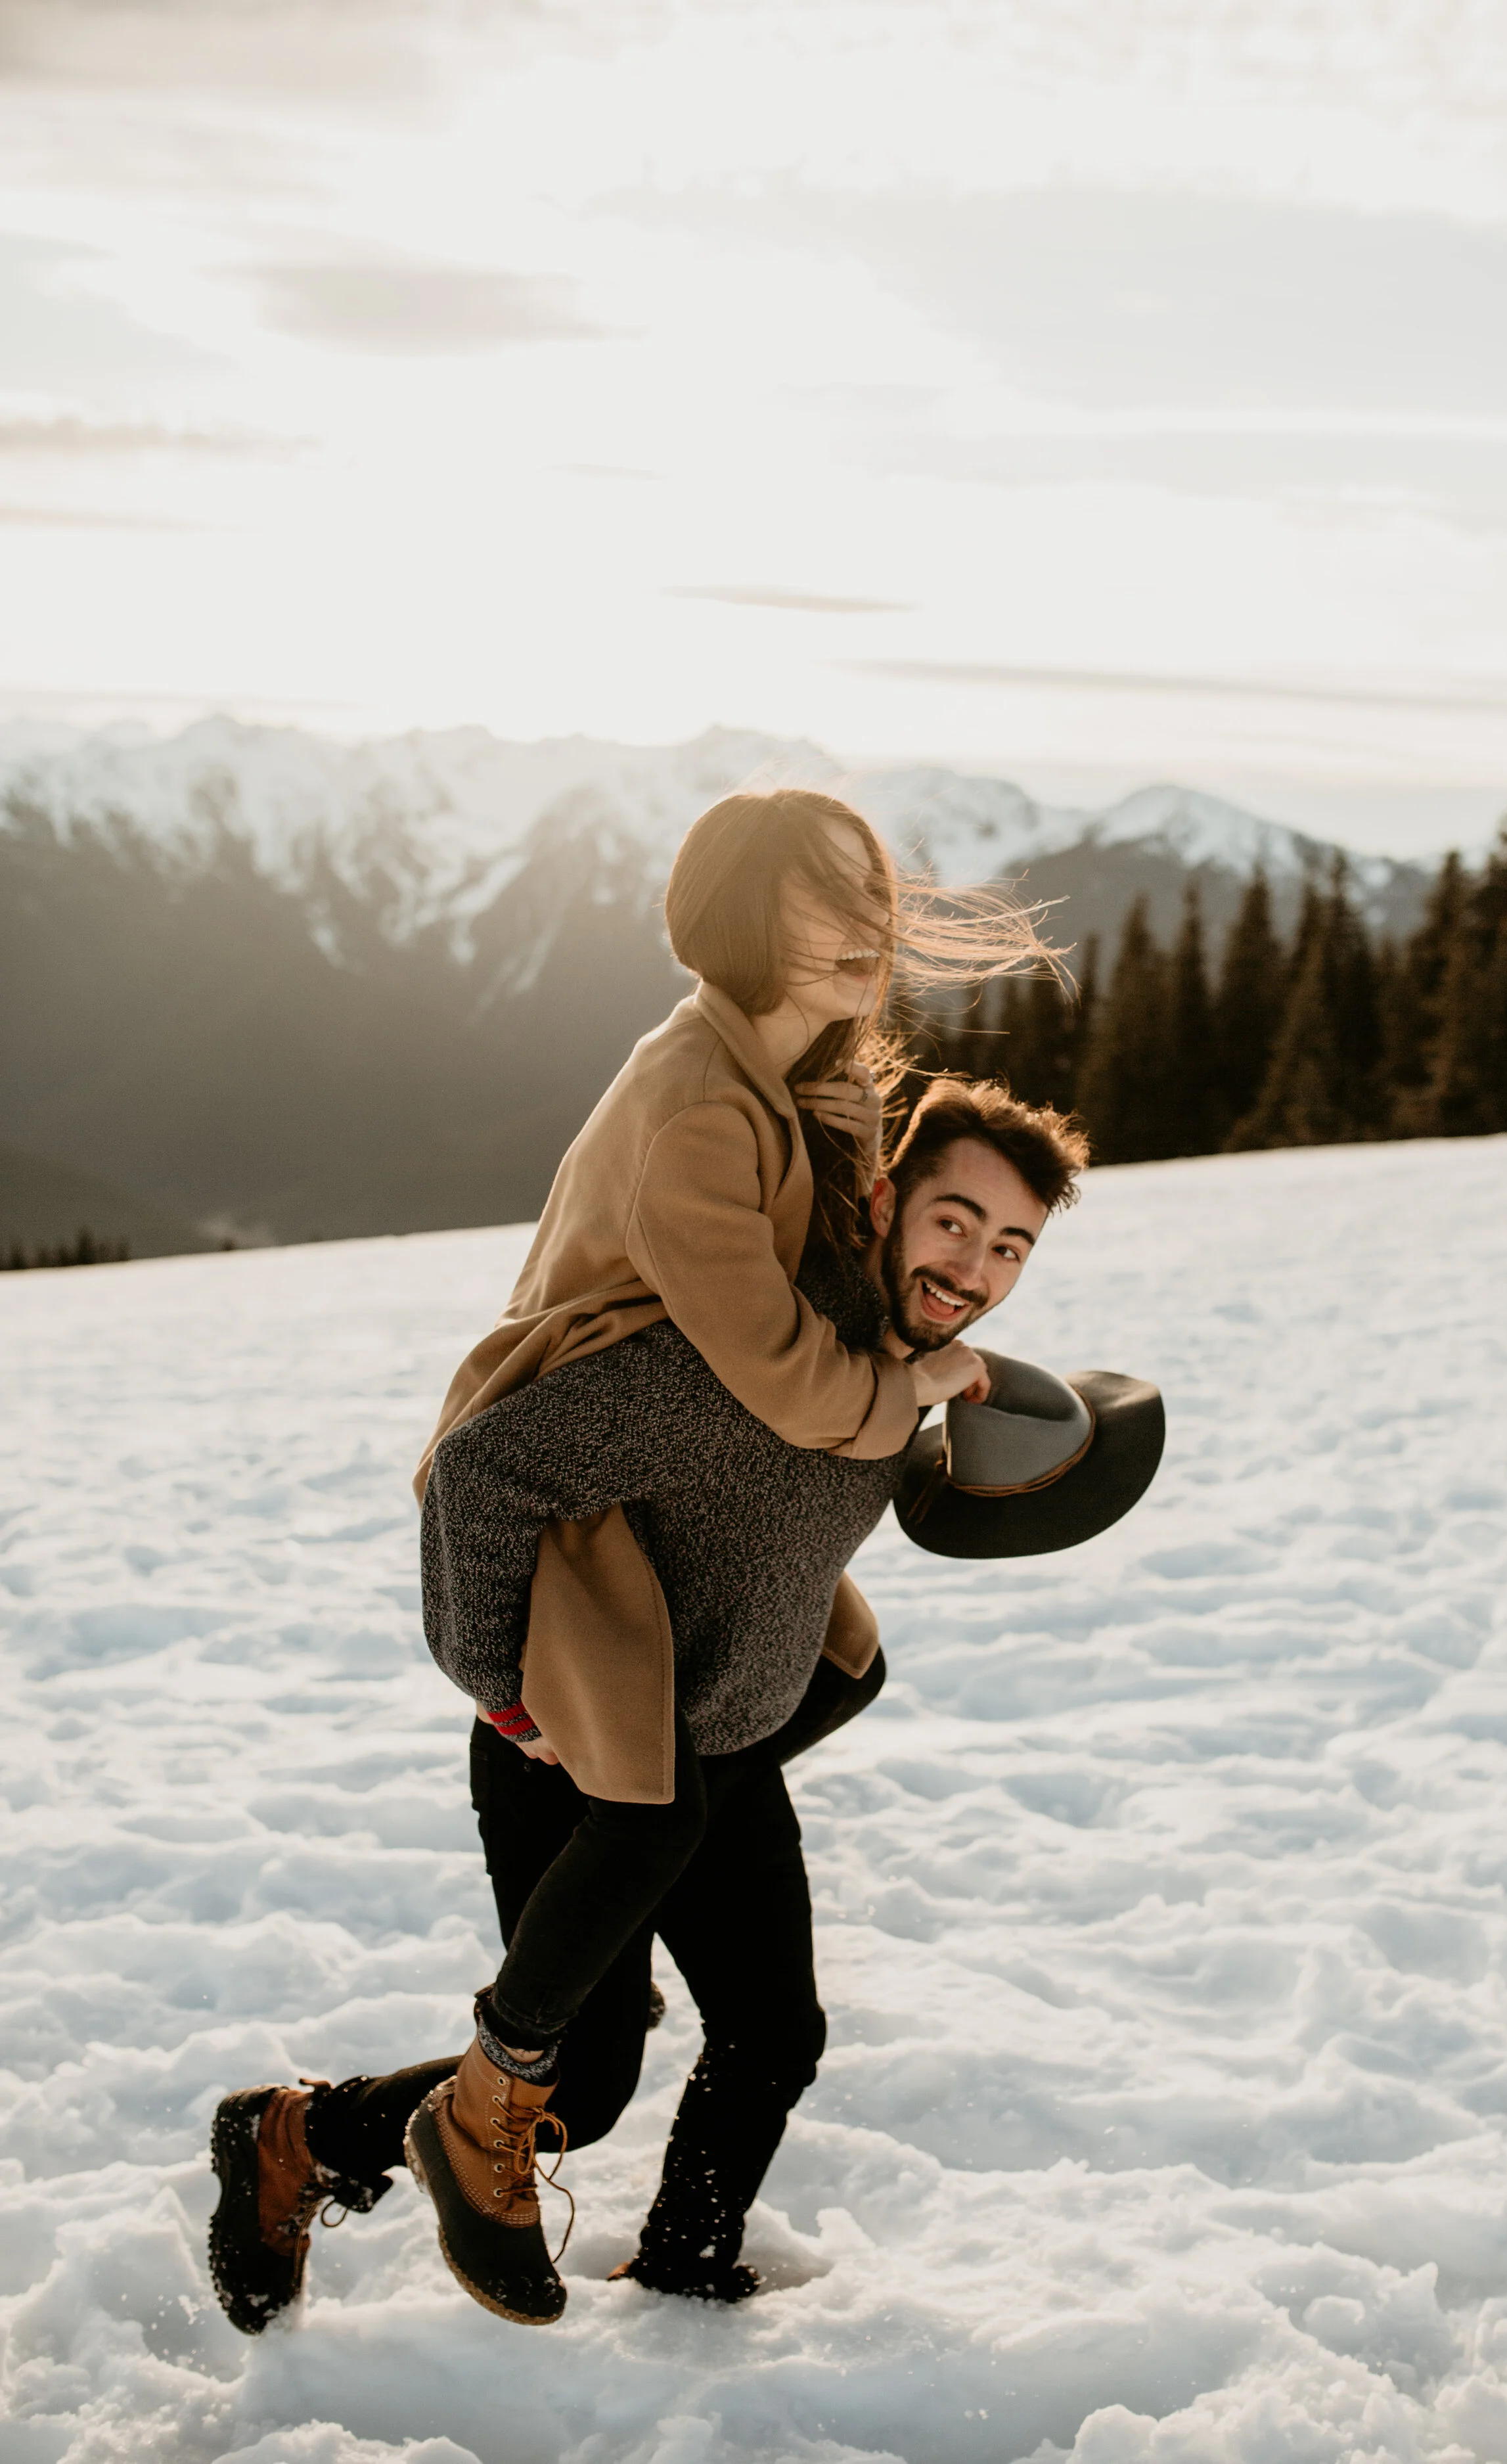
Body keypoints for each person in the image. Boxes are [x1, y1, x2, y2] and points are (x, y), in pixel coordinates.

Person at [208, 786, 1080, 2331]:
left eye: (1004, 1247)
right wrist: (504, 1690)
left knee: (762, 2033)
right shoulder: (706, 1201)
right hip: (578, 1672)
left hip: (705, 1704)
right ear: (747, 924)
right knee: (590, 2075)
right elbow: (527, 1459)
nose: (870, 938)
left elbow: (862, 1355)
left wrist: (998, 1418)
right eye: (831, 908)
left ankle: (684, 2270)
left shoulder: (818, 1151)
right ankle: (300, 2138)